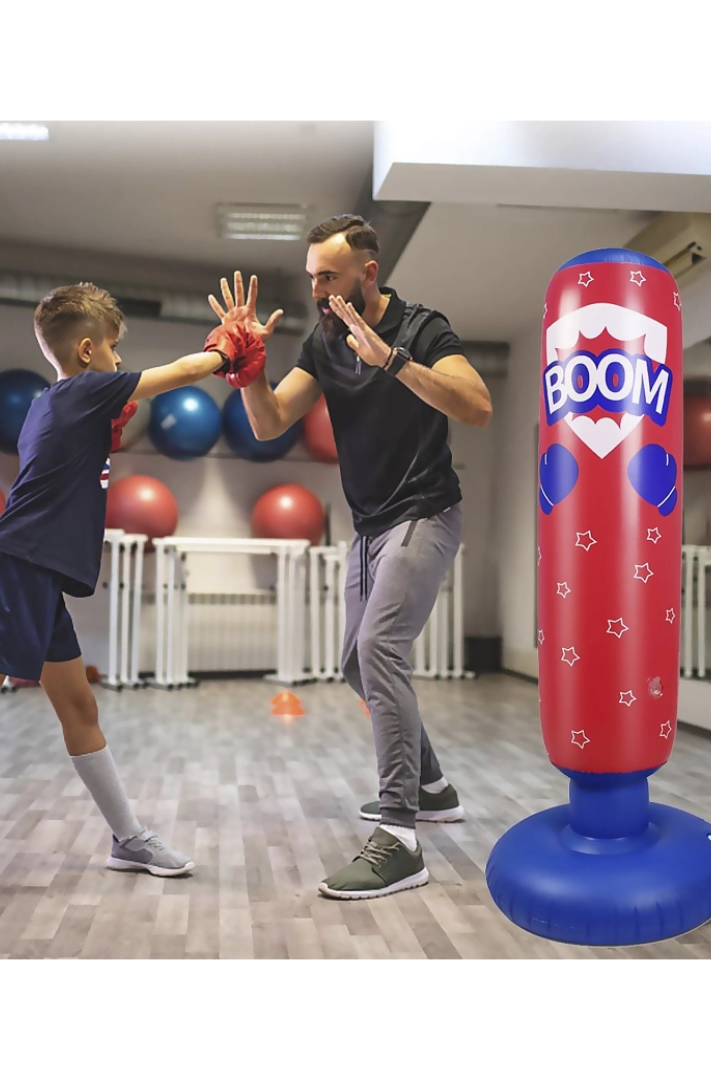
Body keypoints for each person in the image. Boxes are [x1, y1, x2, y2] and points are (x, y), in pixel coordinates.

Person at [0, 282, 263, 906]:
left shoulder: (53, 403)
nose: (121, 361)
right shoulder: (85, 389)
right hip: (14, 572)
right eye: (116, 350)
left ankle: (128, 839)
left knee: (80, 711)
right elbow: (175, 374)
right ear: (89, 351)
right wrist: (227, 351)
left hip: (36, 579)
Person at [208, 215, 492, 900]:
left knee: (382, 647)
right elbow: (272, 421)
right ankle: (432, 786)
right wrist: (251, 373)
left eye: (328, 276)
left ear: (368, 273)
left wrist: (392, 362)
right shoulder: (324, 339)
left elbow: (478, 406)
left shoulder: (423, 328)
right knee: (355, 661)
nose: (316, 289)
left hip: (426, 510)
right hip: (369, 526)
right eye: (311, 278)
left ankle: (399, 839)